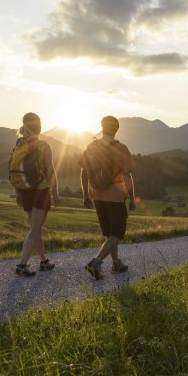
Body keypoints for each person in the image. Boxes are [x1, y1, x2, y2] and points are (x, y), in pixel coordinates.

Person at [79, 115, 136, 280]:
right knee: (117, 233)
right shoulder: (121, 148)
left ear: (102, 127)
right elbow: (128, 175)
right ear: (117, 129)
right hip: (116, 196)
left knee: (110, 233)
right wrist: (132, 198)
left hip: (97, 195)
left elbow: (84, 173)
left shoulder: (91, 146)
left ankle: (116, 263)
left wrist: (85, 195)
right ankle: (96, 262)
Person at [14, 112, 59, 277]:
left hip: (25, 190)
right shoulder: (43, 146)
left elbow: (16, 171)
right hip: (41, 190)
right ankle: (22, 265)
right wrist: (55, 193)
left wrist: (18, 192)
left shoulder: (19, 145)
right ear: (39, 127)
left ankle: (44, 261)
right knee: (35, 229)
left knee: (36, 228)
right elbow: (51, 171)